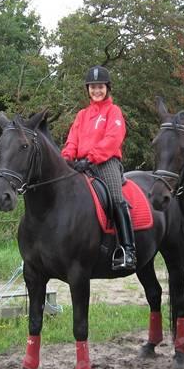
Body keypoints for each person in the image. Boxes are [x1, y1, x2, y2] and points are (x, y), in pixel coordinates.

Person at [61, 65, 137, 271]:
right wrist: (67, 158)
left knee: (115, 197)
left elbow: (113, 139)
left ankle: (128, 251)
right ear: (88, 89)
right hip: (80, 164)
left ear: (107, 88)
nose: (97, 91)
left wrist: (92, 158)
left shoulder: (114, 111)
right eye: (93, 87)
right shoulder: (81, 115)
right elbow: (72, 140)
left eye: (100, 87)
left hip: (105, 162)